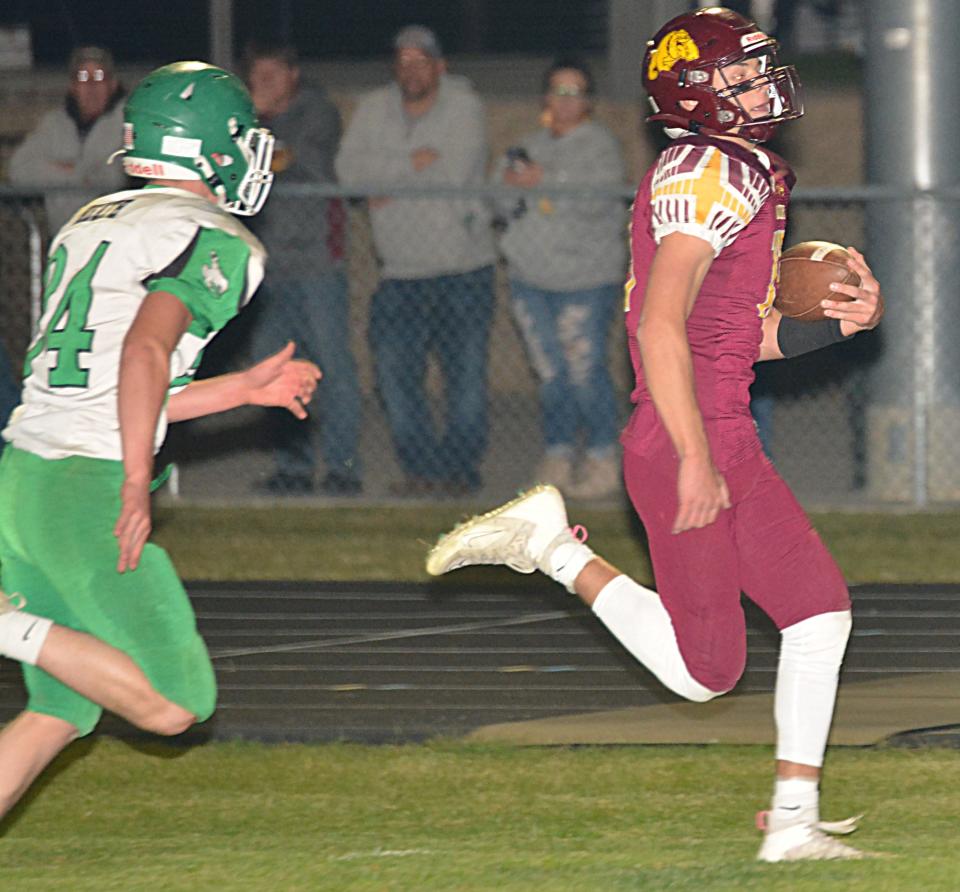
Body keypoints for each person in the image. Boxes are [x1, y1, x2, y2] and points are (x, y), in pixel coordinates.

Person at [426, 7, 884, 863]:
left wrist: (837, 328)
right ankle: (553, 548)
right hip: (689, 435)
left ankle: (793, 824)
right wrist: (698, 456)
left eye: (757, 69)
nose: (760, 85)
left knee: (818, 613)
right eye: (740, 75)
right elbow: (659, 328)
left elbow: (732, 336)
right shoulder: (711, 171)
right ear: (697, 92)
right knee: (703, 673)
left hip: (712, 423)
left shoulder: (733, 167)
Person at [0, 61, 320, 821]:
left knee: (62, 710)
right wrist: (137, 481)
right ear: (211, 144)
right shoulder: (215, 238)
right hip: (86, 484)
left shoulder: (93, 219)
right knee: (178, 700)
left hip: (24, 479)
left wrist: (239, 389)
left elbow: (116, 384)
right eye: (241, 138)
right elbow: (142, 356)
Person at [335, 25, 497, 497]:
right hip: (399, 272)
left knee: (465, 382)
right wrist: (412, 164)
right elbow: (348, 175)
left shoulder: (464, 106)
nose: (411, 70)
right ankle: (421, 471)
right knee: (394, 377)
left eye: (421, 61)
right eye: (403, 61)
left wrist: (385, 180)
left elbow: (454, 171)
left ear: (440, 66)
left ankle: (459, 473)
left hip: (462, 268)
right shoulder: (372, 108)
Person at [495, 58, 627, 498]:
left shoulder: (599, 147)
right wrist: (511, 187)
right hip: (531, 278)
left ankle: (603, 456)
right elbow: (495, 202)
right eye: (557, 90)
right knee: (551, 372)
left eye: (574, 92)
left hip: (584, 280)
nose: (565, 100)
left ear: (587, 101)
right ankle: (558, 454)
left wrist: (545, 181)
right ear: (545, 97)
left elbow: (596, 198)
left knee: (584, 371)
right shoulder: (526, 145)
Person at [243, 42, 362, 496]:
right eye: (258, 76)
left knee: (332, 366)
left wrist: (257, 143)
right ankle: (292, 466)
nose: (266, 85)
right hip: (266, 265)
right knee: (273, 368)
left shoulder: (318, 112)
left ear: (294, 75)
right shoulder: (246, 120)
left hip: (316, 260)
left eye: (275, 74)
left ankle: (343, 468)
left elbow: (292, 161)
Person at [8, 46, 128, 233]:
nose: (91, 85)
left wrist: (61, 169)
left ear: (112, 84)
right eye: (82, 77)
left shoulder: (127, 120)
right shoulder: (54, 124)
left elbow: (114, 177)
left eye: (98, 76)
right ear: (72, 87)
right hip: (64, 238)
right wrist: (81, 174)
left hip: (114, 236)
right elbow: (19, 170)